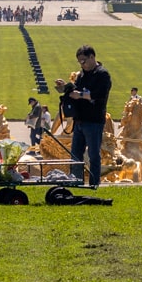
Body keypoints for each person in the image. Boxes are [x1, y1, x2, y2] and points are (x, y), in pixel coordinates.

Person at [55, 44, 112, 188]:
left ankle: (94, 183)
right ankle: (76, 181)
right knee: (75, 155)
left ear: (92, 57)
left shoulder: (102, 74)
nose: (82, 64)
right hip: (79, 120)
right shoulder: (81, 75)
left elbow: (100, 95)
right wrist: (65, 87)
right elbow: (75, 90)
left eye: (83, 61)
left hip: (94, 121)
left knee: (93, 155)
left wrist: (80, 95)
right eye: (80, 62)